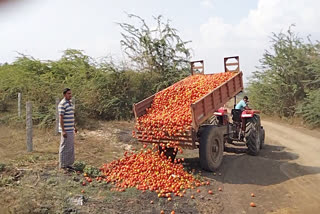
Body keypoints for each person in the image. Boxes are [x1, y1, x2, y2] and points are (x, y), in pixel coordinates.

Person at [58, 88, 77, 171]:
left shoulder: (70, 103)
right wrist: (63, 130)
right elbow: (61, 118)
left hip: (70, 129)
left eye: (70, 93)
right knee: (64, 146)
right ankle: (62, 164)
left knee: (70, 147)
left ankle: (69, 164)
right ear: (64, 94)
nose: (70, 95)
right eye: (69, 94)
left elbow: (71, 116)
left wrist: (74, 127)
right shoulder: (62, 104)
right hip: (66, 130)